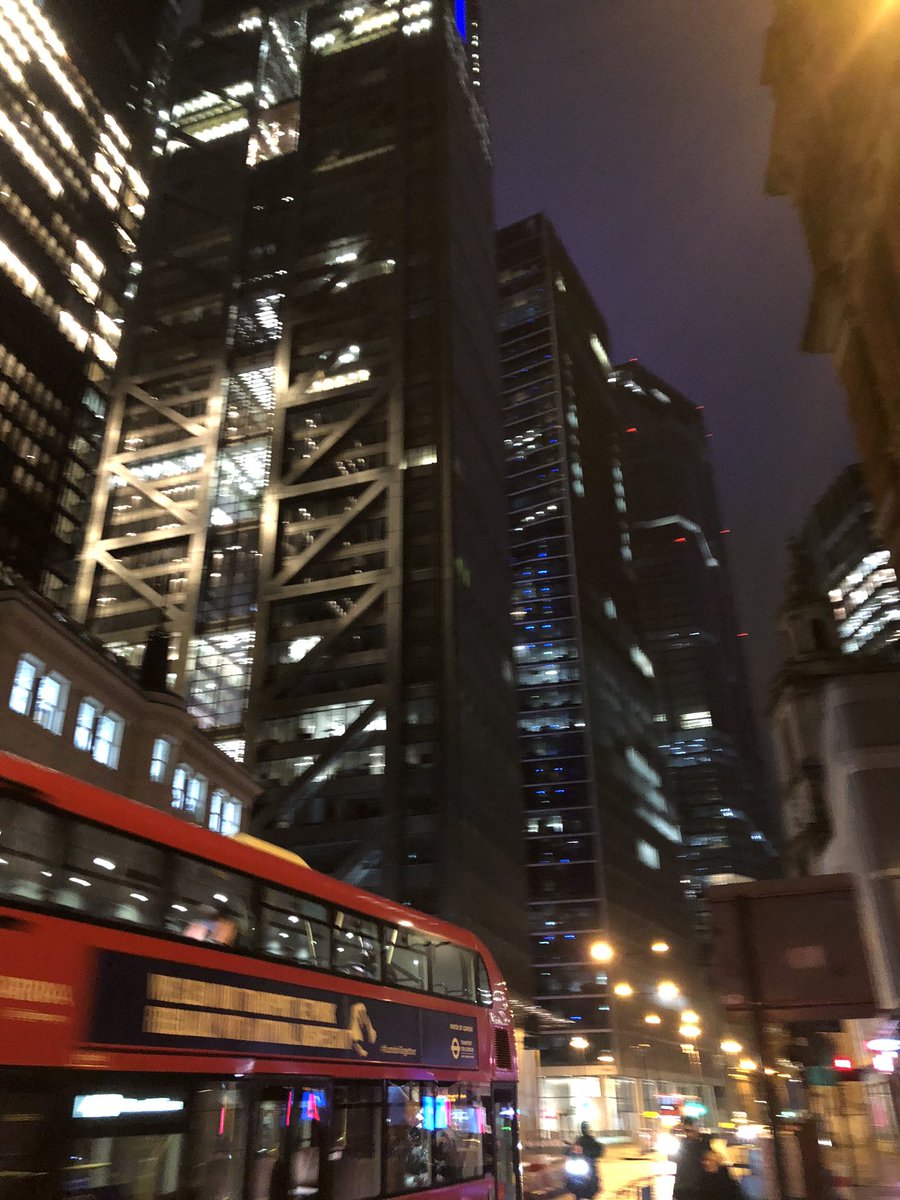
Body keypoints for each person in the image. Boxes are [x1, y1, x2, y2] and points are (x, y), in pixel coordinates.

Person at [672, 1118, 709, 1200]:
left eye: (689, 1130)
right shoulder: (682, 1144)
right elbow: (671, 1157)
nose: (687, 1133)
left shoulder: (703, 1145)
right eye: (686, 1130)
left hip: (697, 1189)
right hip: (682, 1189)